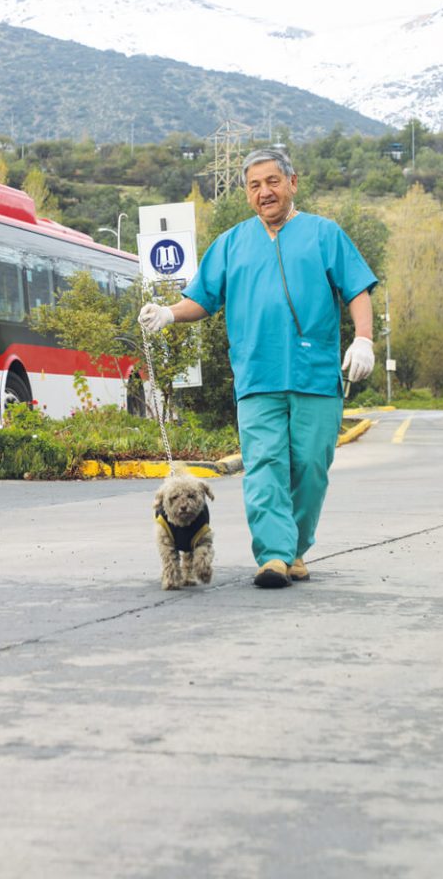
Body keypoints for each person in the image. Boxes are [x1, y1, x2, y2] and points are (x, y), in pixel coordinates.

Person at [139, 147, 377, 589]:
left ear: (292, 182)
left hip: (316, 376)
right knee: (265, 465)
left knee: (310, 466)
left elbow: (358, 288)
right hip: (256, 377)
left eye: (272, 182)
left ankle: (295, 548)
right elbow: (202, 298)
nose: (264, 192)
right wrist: (168, 313)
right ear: (247, 193)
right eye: (254, 186)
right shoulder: (232, 242)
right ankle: (273, 556)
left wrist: (363, 339)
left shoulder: (325, 234)